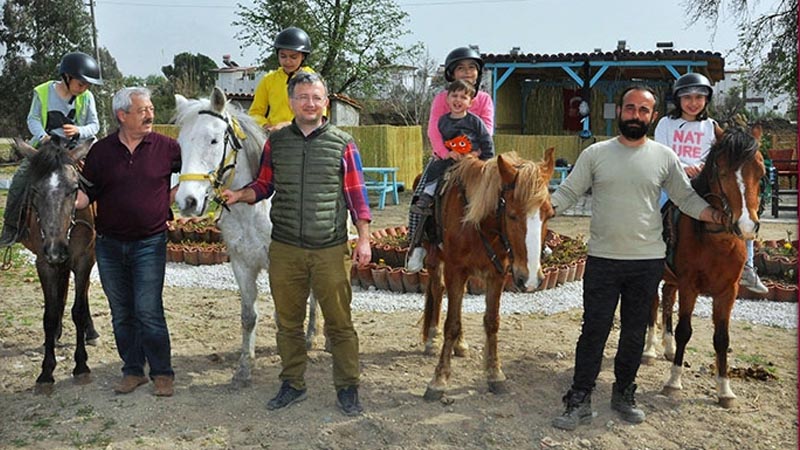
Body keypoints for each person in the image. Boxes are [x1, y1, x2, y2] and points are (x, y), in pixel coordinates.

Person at [549, 86, 730, 430]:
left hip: (646, 262)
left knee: (634, 333)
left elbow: (685, 199)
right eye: (630, 108)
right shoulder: (596, 154)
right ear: (619, 112)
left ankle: (624, 394)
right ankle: (579, 398)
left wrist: (716, 216)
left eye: (643, 110)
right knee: (594, 331)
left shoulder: (664, 157)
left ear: (653, 117)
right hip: (602, 259)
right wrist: (545, 209)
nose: (635, 115)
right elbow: (568, 192)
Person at [223, 72, 372, 416]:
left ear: (326, 104)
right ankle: (293, 384)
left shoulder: (342, 142)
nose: (309, 103)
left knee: (339, 323)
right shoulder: (278, 143)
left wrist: (363, 238)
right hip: (286, 248)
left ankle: (348, 387)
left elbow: (357, 196)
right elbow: (263, 186)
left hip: (330, 248)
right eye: (303, 97)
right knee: (287, 322)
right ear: (291, 103)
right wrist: (239, 195)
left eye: (316, 97)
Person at [76, 87, 181, 397]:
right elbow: (87, 195)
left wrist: (173, 196)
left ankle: (162, 372)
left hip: (150, 242)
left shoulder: (169, 148)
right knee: (121, 311)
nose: (150, 114)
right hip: (108, 245)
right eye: (142, 110)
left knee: (148, 309)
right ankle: (133, 370)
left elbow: (190, 178)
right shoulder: (101, 152)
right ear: (122, 116)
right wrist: (66, 199)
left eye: (150, 108)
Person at [655, 73, 768, 294]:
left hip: (702, 183)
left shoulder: (711, 126)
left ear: (707, 100)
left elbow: (721, 158)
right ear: (678, 100)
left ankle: (748, 267)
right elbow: (661, 153)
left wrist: (701, 166)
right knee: (655, 209)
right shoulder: (666, 124)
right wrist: (682, 167)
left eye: (699, 97)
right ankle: (653, 255)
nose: (693, 102)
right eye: (687, 97)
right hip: (673, 181)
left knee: (740, 212)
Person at [406, 46, 495, 272]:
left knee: (507, 194)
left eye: (471, 68)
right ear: (452, 74)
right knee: (420, 197)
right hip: (444, 157)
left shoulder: (484, 100)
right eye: (461, 68)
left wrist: (476, 155)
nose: (466, 72)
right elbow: (434, 131)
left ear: (478, 73)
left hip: (477, 157)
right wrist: (446, 153)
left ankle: (523, 244)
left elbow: (487, 129)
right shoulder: (441, 99)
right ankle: (416, 246)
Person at [0, 51, 102, 247]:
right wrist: (42, 136)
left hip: (75, 148)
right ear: (67, 77)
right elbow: (33, 119)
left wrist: (79, 130)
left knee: (101, 177)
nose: (85, 88)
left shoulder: (87, 97)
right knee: (20, 179)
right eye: (81, 84)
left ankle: (107, 226)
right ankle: (11, 227)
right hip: (46, 148)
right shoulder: (43, 92)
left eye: (87, 85)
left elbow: (94, 125)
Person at [248, 26, 315, 132]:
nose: (287, 61)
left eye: (293, 57)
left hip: (305, 134)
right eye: (283, 56)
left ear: (303, 56)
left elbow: (319, 112)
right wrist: (266, 126)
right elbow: (255, 113)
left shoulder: (313, 80)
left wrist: (292, 125)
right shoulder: (268, 80)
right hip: (274, 135)